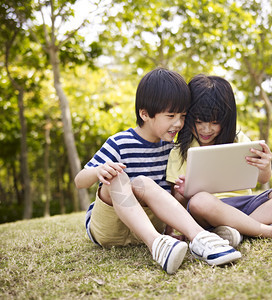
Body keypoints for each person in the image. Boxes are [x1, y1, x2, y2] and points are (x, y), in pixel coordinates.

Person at [75, 68, 241, 275]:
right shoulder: (119, 143)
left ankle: (202, 238)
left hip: (151, 225)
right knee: (123, 179)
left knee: (148, 185)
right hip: (109, 229)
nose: (179, 123)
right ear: (144, 113)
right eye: (171, 115)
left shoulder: (174, 150)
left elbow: (172, 197)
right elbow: (79, 181)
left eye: (183, 116)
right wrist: (100, 170)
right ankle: (157, 246)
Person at [166, 74, 272, 247]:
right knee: (200, 201)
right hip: (208, 212)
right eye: (199, 121)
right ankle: (271, 232)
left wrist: (265, 166)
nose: (206, 129)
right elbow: (176, 203)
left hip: (246, 205)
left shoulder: (239, 140)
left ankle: (233, 232)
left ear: (227, 119)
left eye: (215, 122)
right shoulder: (179, 150)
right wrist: (184, 194)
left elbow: (263, 179)